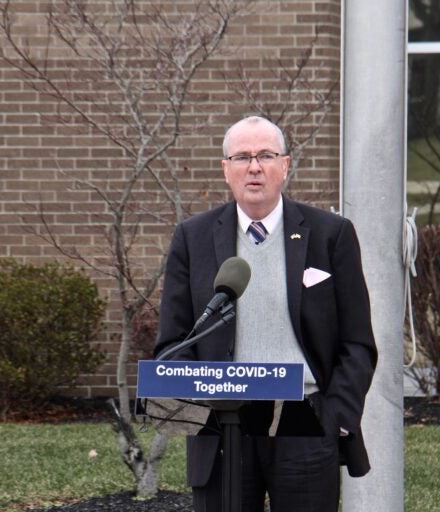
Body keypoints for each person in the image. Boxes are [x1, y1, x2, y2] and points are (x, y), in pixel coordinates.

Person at [154, 116, 377, 512]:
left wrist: (334, 416)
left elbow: (357, 342)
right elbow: (173, 342)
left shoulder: (331, 234)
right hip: (221, 426)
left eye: (265, 156)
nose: (254, 167)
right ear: (226, 170)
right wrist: (197, 404)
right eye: (242, 157)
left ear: (285, 165)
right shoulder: (193, 237)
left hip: (304, 424)